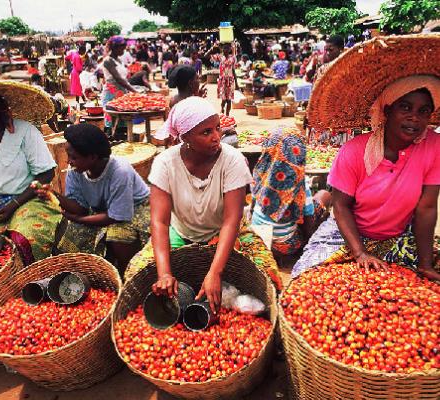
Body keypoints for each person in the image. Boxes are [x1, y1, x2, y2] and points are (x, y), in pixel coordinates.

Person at [293, 35, 440, 282]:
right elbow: (340, 206)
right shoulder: (353, 151)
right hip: (345, 234)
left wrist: (425, 264)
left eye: (423, 111)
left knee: (411, 285)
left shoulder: (434, 147)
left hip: (398, 236)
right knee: (308, 279)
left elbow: (426, 209)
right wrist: (359, 252)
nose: (414, 118)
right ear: (386, 110)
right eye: (405, 108)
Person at [126, 97, 282, 313]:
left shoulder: (232, 160)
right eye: (206, 132)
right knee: (135, 274)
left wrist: (215, 272)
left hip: (227, 232)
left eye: (218, 128)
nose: (217, 137)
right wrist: (164, 274)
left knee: (269, 277)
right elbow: (160, 222)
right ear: (185, 137)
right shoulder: (165, 163)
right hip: (180, 232)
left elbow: (231, 221)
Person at [51, 124, 150, 274]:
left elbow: (116, 216)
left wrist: (79, 219)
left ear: (92, 157)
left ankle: (125, 275)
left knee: (118, 238)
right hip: (102, 210)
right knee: (71, 235)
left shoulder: (120, 171)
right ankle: (88, 273)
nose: (69, 162)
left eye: (74, 157)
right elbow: (80, 208)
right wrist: (52, 195)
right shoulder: (76, 172)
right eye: (68, 156)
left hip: (133, 209)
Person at [0, 80, 61, 265]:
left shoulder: (25, 130)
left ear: (2, 106)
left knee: (24, 240)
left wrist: (13, 204)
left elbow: (46, 173)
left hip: (26, 200)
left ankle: (25, 285)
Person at [251, 128, 330, 267]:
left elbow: (252, 205)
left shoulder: (259, 173)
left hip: (258, 238)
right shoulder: (299, 183)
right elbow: (308, 221)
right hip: (284, 245)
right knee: (324, 195)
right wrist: (309, 240)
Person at [101, 36, 136, 130]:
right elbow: (118, 78)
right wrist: (134, 90)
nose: (123, 51)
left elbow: (123, 77)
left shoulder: (119, 60)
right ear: (115, 48)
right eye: (122, 48)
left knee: (122, 122)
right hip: (111, 94)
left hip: (121, 93)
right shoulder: (108, 61)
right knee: (112, 122)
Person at [214, 44, 239, 116]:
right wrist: (213, 47)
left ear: (229, 50)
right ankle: (222, 110)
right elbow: (206, 56)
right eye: (224, 48)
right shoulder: (220, 57)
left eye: (227, 48)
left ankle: (227, 115)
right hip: (222, 81)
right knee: (223, 98)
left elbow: (233, 70)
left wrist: (236, 83)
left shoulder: (232, 59)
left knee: (229, 99)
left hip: (230, 81)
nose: (225, 50)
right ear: (222, 49)